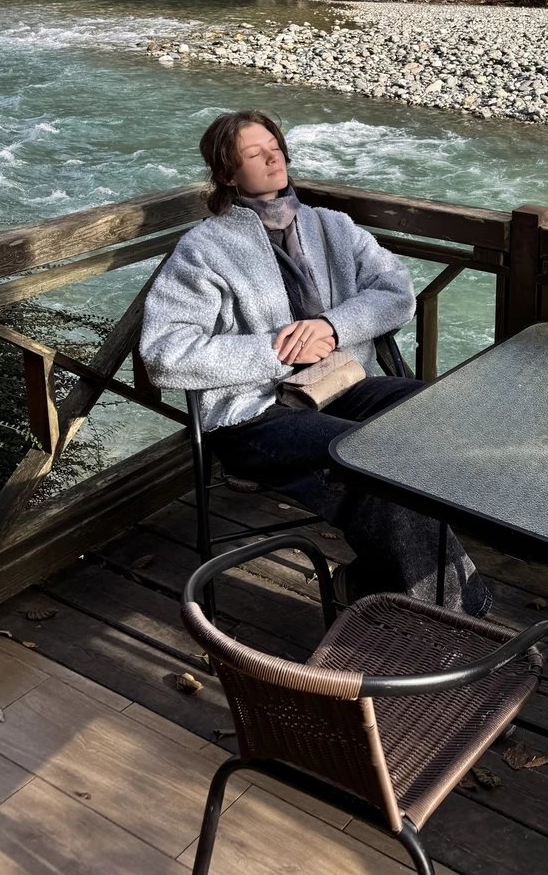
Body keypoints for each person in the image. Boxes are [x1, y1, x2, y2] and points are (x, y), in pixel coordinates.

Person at [139, 108, 490, 616]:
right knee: (372, 462)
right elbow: (163, 355)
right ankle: (455, 618)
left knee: (438, 414)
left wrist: (332, 327)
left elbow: (396, 290)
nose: (272, 156)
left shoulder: (331, 226)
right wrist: (274, 348)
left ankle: (378, 586)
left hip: (340, 384)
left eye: (275, 145)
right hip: (255, 415)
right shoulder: (205, 248)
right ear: (226, 173)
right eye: (254, 153)